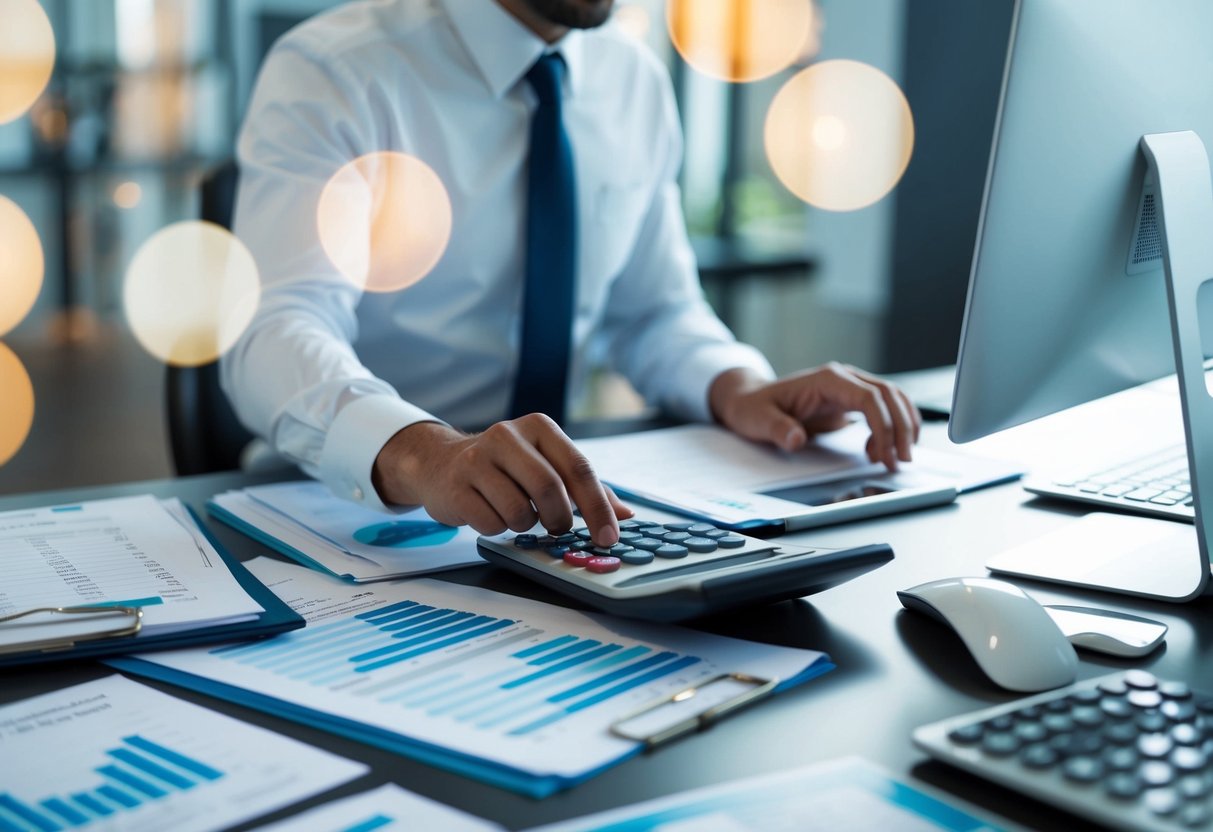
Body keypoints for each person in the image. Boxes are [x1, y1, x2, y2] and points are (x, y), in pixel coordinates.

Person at [223, 0, 921, 551]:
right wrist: (425, 456)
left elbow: (652, 313)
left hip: (551, 520)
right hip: (341, 511)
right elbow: (274, 328)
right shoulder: (336, 69)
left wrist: (739, 388)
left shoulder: (632, 77)